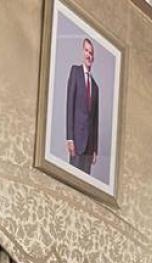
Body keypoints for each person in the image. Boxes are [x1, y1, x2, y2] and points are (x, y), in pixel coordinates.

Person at [65, 38, 100, 174]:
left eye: (91, 53)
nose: (89, 55)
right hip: (76, 141)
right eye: (86, 51)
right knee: (73, 177)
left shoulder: (96, 87)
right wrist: (69, 137)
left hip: (89, 146)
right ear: (82, 52)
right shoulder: (75, 72)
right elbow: (69, 105)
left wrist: (95, 149)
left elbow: (95, 121)